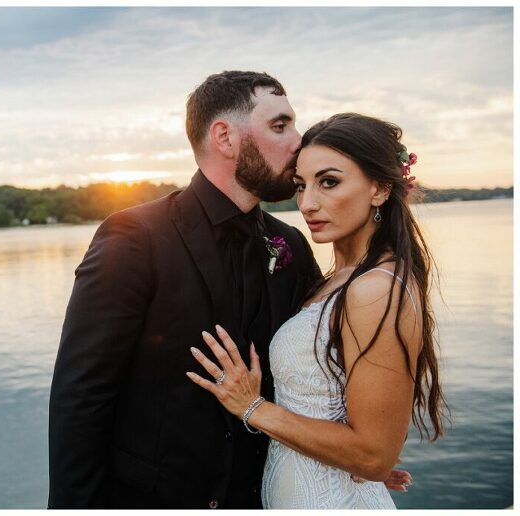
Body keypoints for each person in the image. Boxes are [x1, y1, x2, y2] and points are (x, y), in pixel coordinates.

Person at [48, 71, 321, 508]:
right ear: (225, 138)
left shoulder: (289, 245)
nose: (298, 141)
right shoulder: (133, 237)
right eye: (279, 125)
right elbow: (81, 397)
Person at [187, 112, 447, 509]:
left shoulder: (375, 288)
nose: (307, 203)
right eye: (301, 185)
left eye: (329, 182)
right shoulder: (339, 278)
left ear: (379, 188)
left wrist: (252, 407)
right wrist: (345, 452)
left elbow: (374, 456)